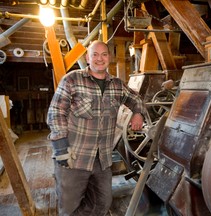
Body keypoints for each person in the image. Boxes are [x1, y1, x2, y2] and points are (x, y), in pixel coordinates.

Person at [46, 40, 145, 216]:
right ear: (88, 58)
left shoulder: (116, 84)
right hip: (75, 157)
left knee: (102, 203)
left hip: (103, 159)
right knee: (69, 208)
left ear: (109, 57)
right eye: (95, 54)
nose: (100, 59)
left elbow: (135, 99)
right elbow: (56, 112)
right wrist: (61, 147)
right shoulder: (72, 80)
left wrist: (138, 113)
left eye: (104, 54)